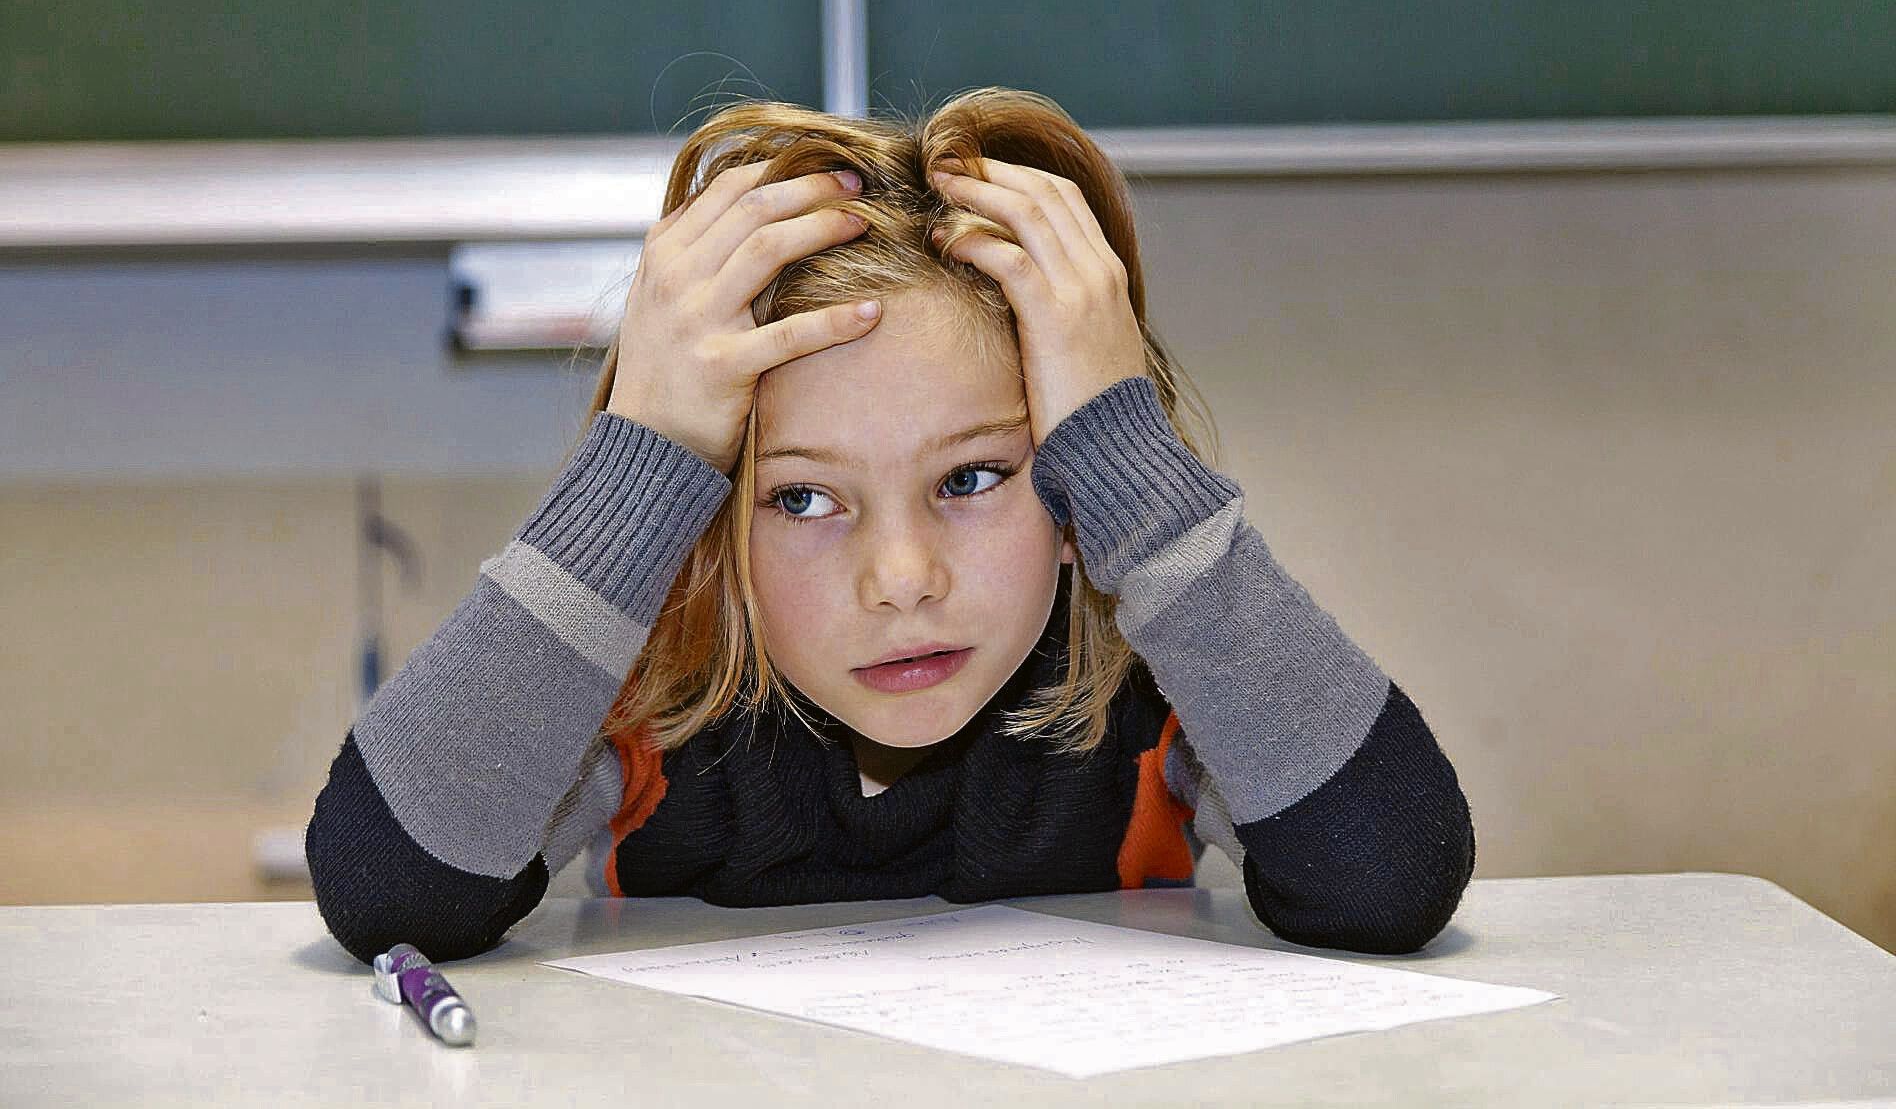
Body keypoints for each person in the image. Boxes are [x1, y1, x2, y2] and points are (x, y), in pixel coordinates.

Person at [306, 87, 1475, 966]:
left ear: (1084, 497)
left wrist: (1132, 462)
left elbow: (1391, 880)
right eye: (802, 498)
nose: (903, 578)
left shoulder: (1168, 687)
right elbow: (389, 893)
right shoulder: (653, 708)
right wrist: (642, 455)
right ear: (703, 523)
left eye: (972, 478)